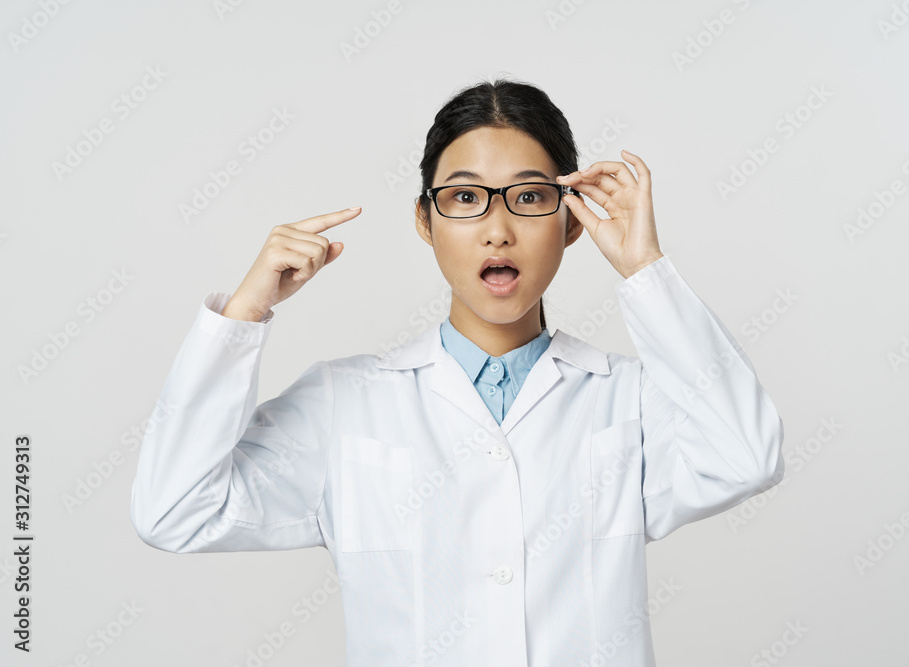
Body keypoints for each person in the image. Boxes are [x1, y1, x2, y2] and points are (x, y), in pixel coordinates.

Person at [130, 77, 785, 666]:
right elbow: (174, 510)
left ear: (572, 221)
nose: (497, 230)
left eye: (530, 197)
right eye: (466, 197)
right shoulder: (344, 403)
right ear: (425, 219)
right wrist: (243, 315)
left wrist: (646, 270)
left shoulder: (628, 401)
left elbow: (747, 457)